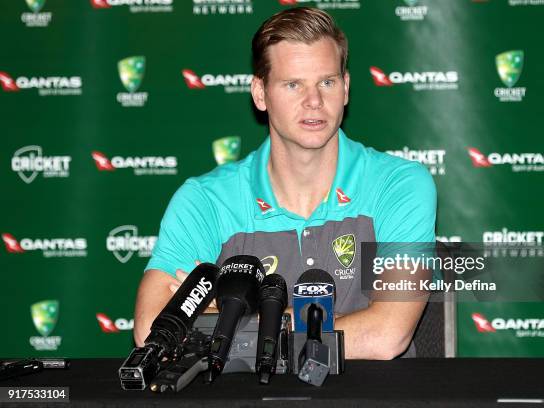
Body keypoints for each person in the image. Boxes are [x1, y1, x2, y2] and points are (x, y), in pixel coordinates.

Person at [133, 7, 436, 360]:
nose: (314, 101)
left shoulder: (399, 185)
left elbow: (386, 336)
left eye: (327, 82)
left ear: (346, 88)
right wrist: (340, 326)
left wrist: (230, 318)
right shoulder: (206, 200)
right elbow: (153, 329)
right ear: (260, 94)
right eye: (293, 84)